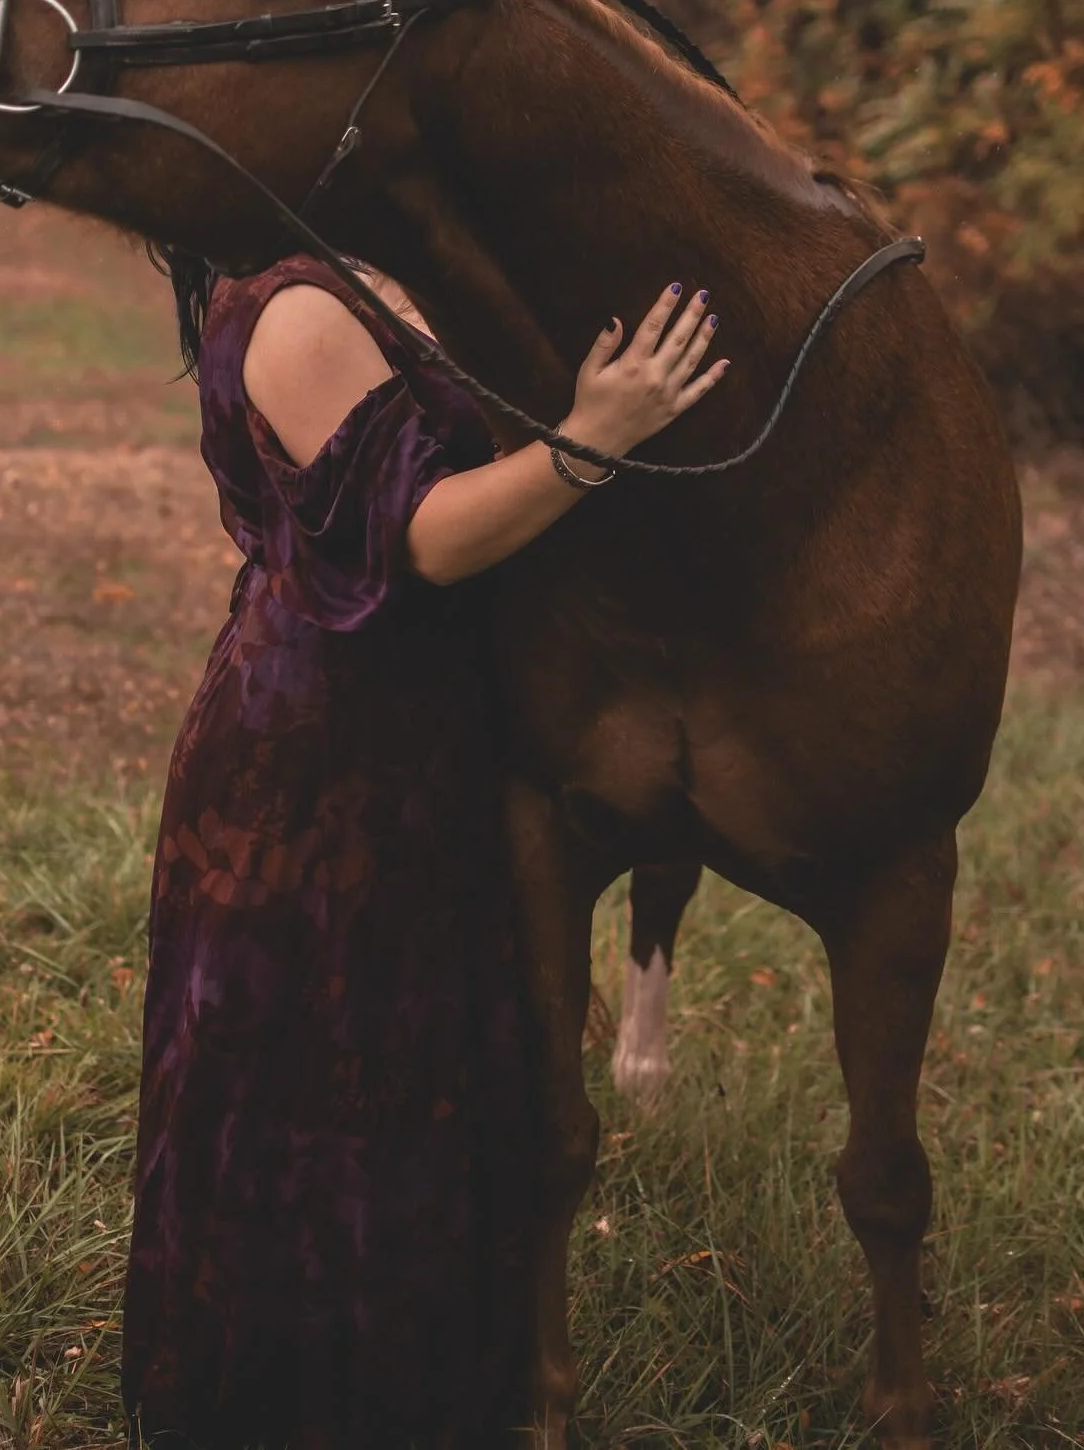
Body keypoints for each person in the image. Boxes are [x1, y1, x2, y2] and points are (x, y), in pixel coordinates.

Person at [120, 249, 727, 1449]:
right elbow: (429, 538)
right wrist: (594, 436)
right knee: (318, 1090)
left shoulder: (364, 265)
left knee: (399, 1073)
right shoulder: (295, 306)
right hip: (319, 760)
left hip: (400, 735)